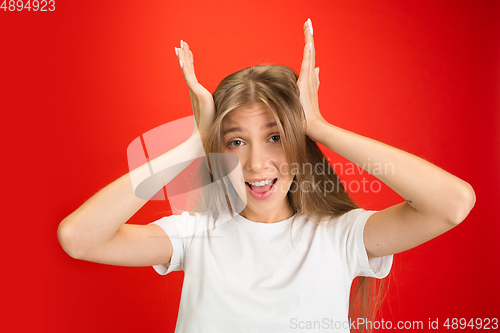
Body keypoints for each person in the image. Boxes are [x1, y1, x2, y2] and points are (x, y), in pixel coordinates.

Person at [57, 19, 475, 332]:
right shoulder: (195, 236)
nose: (256, 164)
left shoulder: (341, 237)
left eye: (276, 136)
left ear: (299, 142)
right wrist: (191, 144)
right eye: (235, 142)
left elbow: (453, 204)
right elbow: (79, 238)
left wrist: (321, 127)